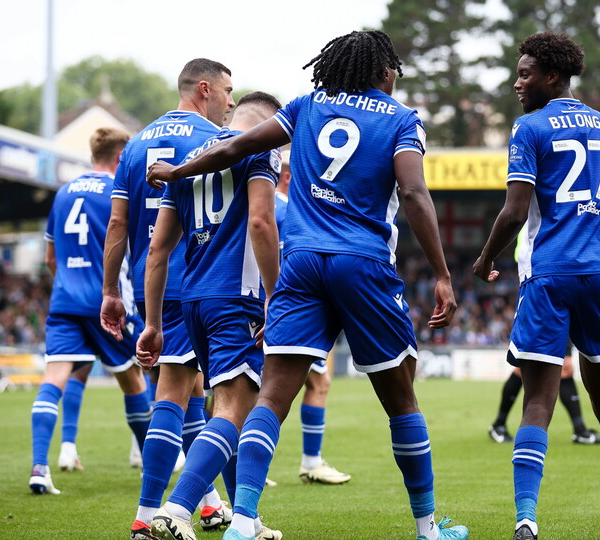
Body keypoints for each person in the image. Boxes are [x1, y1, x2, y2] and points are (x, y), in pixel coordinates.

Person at [147, 29, 469, 540]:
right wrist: (444, 274)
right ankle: (429, 528)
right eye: (393, 69)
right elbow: (411, 190)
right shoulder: (402, 119)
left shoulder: (306, 104)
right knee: (401, 399)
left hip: (300, 266)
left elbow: (240, 145)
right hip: (362, 264)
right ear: (384, 71)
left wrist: (179, 169)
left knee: (271, 397)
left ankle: (244, 520)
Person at [472, 32, 600, 540]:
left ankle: (526, 523)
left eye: (525, 73)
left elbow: (514, 210)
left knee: (537, 403)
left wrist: (485, 258)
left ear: (552, 76)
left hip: (549, 275)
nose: (517, 82)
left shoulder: (529, 127)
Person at [100, 58, 235, 539]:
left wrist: (112, 290)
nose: (231, 102)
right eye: (226, 91)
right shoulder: (213, 142)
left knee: (191, 391)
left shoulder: (135, 146)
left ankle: (210, 504)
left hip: (149, 285)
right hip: (201, 281)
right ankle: (147, 514)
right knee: (178, 394)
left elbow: (117, 224)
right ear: (204, 89)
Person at [142, 91, 284, 540]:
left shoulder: (189, 161)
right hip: (235, 298)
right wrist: (275, 294)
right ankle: (178, 508)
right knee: (233, 408)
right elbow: (261, 222)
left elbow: (158, 250)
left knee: (228, 406)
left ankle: (247, 515)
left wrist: (151, 323)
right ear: (269, 123)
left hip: (192, 302)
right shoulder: (261, 151)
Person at [30, 127, 152, 496]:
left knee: (53, 380)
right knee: (134, 380)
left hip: (65, 300)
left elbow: (51, 257)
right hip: (107, 302)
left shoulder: (64, 192)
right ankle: (153, 465)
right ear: (120, 158)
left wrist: (69, 284)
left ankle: (39, 467)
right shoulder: (119, 192)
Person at [275, 151, 351, 485]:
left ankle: (309, 462)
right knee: (267, 392)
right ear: (290, 177)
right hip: (292, 308)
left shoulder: (264, 208)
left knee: (254, 389)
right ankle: (309, 462)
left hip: (269, 305)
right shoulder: (292, 212)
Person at [489, 227, 600, 446]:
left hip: (561, 289)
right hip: (542, 289)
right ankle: (499, 424)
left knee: (564, 367)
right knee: (525, 368)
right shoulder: (534, 219)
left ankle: (579, 429)